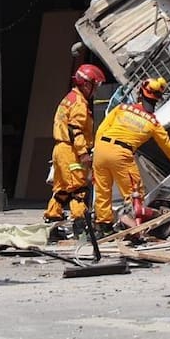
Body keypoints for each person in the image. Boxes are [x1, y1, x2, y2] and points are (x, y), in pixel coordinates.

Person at [91, 77, 170, 235]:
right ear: (158, 99)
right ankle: (135, 228)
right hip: (121, 154)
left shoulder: (121, 108)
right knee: (134, 194)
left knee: (103, 191)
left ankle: (103, 227)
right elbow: (168, 147)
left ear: (140, 94)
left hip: (101, 150)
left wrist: (97, 150)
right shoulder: (152, 123)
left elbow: (101, 129)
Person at [43, 64, 107, 235]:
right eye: (96, 85)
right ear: (87, 84)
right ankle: (81, 225)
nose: (96, 90)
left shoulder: (70, 98)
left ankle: (52, 220)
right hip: (70, 151)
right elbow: (75, 129)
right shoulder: (79, 103)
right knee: (78, 190)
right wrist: (84, 153)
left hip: (60, 150)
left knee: (62, 189)